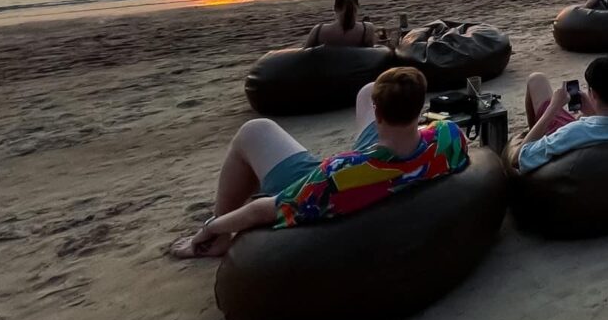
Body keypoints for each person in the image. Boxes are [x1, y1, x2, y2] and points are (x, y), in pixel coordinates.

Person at [170, 67, 466, 258]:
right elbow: (423, 134)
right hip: (393, 165)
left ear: (378, 117)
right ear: (421, 110)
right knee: (367, 90)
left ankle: (218, 243)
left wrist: (211, 227)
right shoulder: (447, 136)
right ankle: (392, 120)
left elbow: (265, 209)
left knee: (254, 130)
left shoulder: (337, 174)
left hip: (361, 179)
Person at [516, 56, 608, 172]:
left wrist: (553, 108)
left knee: (536, 79)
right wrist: (593, 113)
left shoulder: (572, 132)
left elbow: (520, 158)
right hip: (597, 132)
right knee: (538, 79)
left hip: (574, 142)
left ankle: (532, 130)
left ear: (592, 94)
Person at [303, 0, 380, 49]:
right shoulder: (367, 29)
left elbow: (304, 57)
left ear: (334, 8)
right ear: (357, 7)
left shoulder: (318, 31)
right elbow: (373, 56)